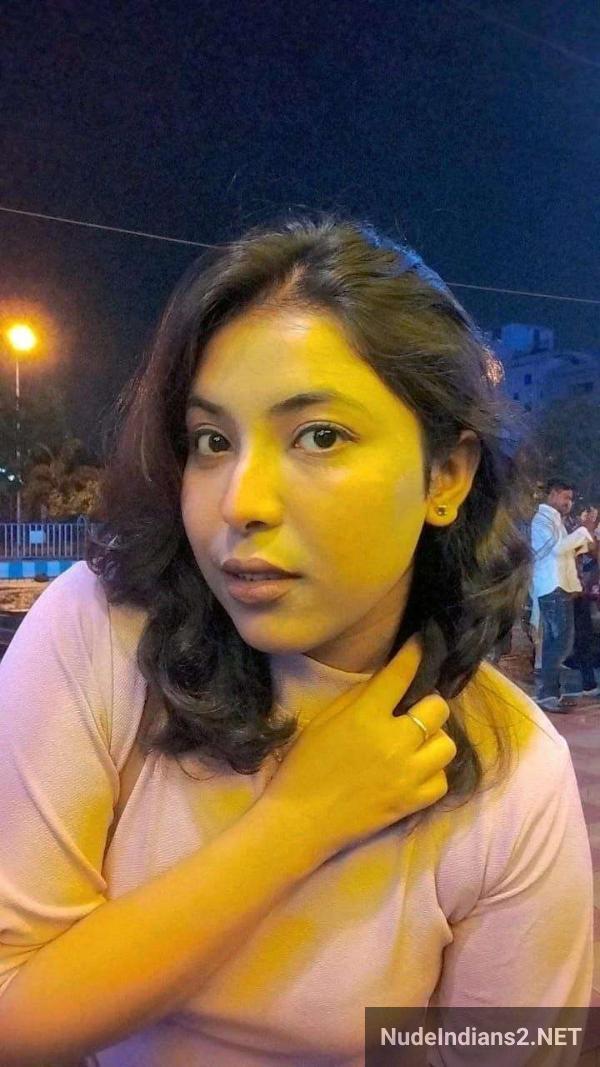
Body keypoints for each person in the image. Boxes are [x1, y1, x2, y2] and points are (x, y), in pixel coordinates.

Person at [0, 218, 592, 1066]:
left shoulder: (511, 770)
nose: (241, 501)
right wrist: (300, 821)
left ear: (446, 475)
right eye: (212, 441)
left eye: (319, 435)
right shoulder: (99, 636)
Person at [530, 479, 595, 712]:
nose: (569, 503)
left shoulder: (555, 520)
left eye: (571, 499)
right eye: (566, 497)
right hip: (552, 587)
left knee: (559, 644)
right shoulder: (541, 520)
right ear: (554, 494)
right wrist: (583, 530)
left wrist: (584, 536)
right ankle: (547, 694)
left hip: (560, 587)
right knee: (559, 644)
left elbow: (567, 550)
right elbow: (557, 549)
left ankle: (552, 693)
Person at [564, 506, 600, 696]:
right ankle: (588, 682)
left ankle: (588, 681)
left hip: (580, 590)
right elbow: (588, 550)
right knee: (582, 634)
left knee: (583, 634)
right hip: (576, 590)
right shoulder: (571, 530)